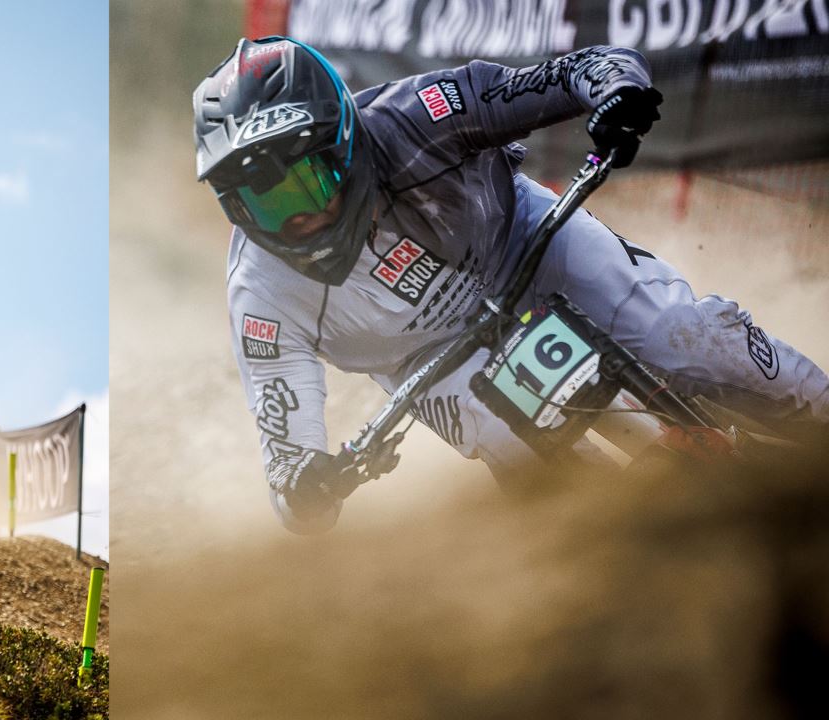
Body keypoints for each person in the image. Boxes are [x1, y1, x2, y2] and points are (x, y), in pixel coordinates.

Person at [194, 37, 829, 534]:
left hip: (524, 242)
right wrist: (313, 489)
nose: (297, 218)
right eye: (263, 202)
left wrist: (616, 91)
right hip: (426, 361)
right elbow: (288, 477)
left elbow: (589, 66)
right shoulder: (261, 294)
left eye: (305, 183)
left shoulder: (417, 116)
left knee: (684, 337)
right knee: (522, 456)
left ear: (344, 142)